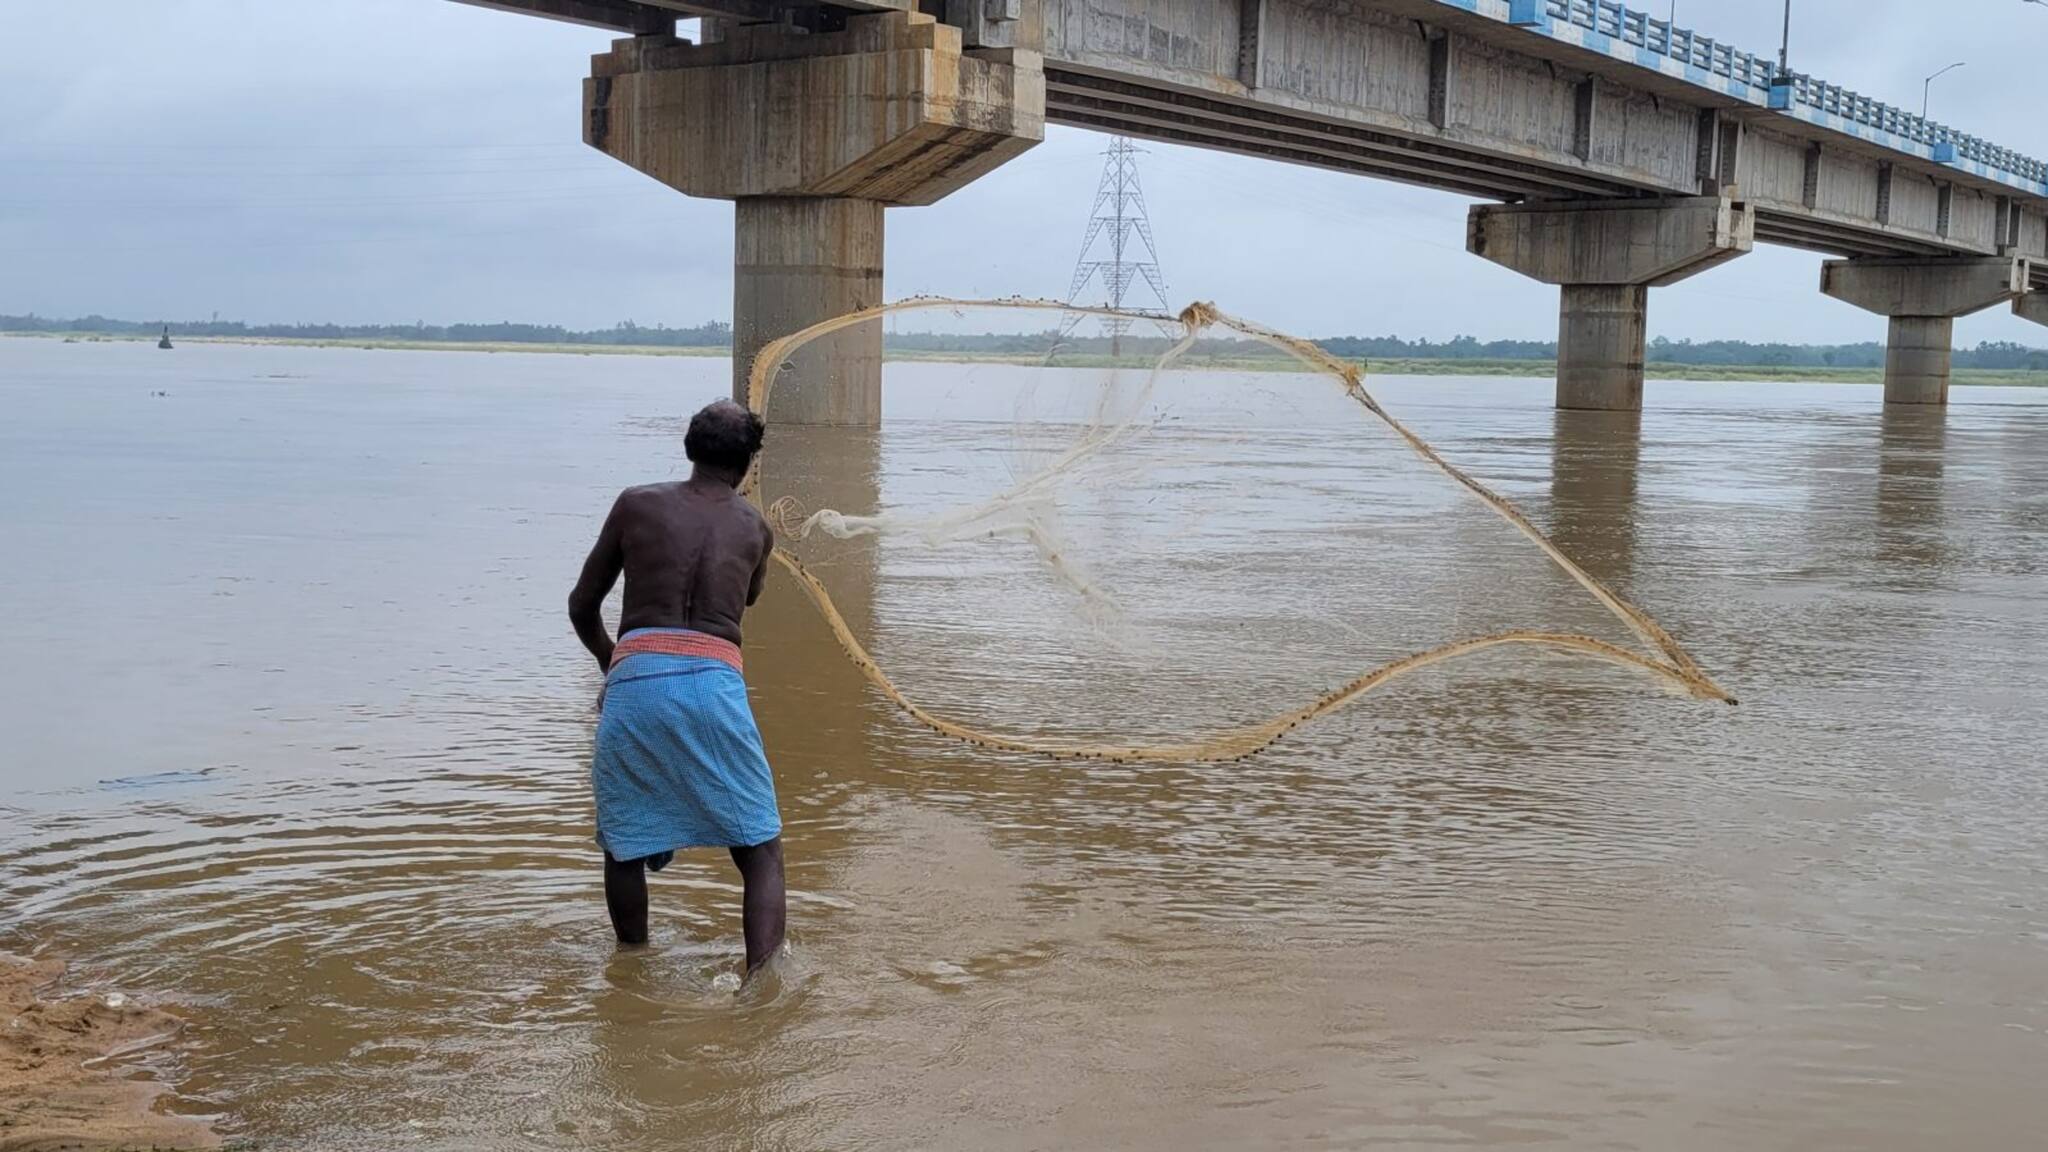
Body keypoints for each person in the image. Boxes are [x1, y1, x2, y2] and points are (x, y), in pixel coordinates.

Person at [567, 399, 785, 973]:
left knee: (625, 843)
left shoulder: (636, 504)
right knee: (760, 848)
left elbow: (582, 606)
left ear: (689, 447)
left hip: (637, 678)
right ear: (747, 464)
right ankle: (761, 983)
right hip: (715, 680)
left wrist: (612, 663)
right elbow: (748, 598)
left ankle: (632, 969)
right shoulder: (755, 527)